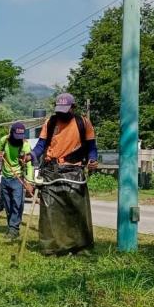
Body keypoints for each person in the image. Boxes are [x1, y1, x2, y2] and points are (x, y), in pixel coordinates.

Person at [24, 92, 99, 255]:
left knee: (76, 211)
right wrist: (30, 155)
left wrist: (92, 160)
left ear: (73, 107)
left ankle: (80, 247)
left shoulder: (83, 123)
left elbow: (92, 148)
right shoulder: (50, 123)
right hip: (51, 171)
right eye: (59, 109)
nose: (61, 113)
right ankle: (52, 247)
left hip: (74, 171)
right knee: (51, 211)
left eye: (65, 109)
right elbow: (40, 146)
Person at [0, 121, 34, 240]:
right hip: (5, 178)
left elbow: (30, 164)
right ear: (11, 133)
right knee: (8, 205)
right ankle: (11, 226)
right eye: (16, 137)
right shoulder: (4, 140)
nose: (18, 140)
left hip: (18, 179)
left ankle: (14, 229)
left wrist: (29, 182)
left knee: (17, 204)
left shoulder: (25, 145)